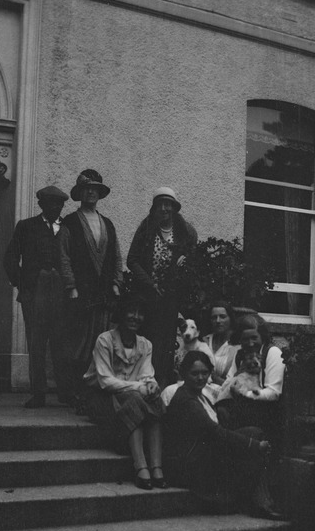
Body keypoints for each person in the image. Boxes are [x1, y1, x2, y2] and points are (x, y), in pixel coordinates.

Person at [163, 351, 284, 519]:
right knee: (254, 442)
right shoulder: (186, 399)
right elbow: (215, 432)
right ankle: (262, 503)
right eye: (194, 373)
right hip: (193, 464)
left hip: (206, 453)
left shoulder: (199, 395)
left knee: (256, 432)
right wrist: (254, 445)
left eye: (204, 373)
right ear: (184, 374)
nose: (200, 378)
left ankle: (261, 499)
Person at [83, 295, 166, 490]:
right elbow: (105, 381)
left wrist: (151, 384)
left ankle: (156, 466)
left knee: (154, 399)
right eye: (131, 311)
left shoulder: (145, 344)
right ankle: (140, 466)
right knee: (136, 398)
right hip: (101, 397)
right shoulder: (105, 340)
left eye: (140, 313)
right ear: (121, 314)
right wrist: (140, 387)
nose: (135, 317)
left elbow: (146, 374)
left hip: (130, 396)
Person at [59, 169, 123, 407]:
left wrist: (117, 283)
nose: (91, 192)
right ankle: (75, 391)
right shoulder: (70, 222)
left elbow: (116, 256)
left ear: (100, 193)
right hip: (80, 295)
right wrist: (71, 286)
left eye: (95, 189)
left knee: (101, 343)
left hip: (104, 294)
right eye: (87, 189)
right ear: (80, 193)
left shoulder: (107, 223)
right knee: (79, 344)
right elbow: (63, 257)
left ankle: (96, 393)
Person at [3, 185, 70, 408]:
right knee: (37, 342)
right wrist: (24, 286)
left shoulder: (68, 228)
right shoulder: (27, 227)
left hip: (61, 292)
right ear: (41, 205)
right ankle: (38, 393)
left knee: (61, 342)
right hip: (35, 292)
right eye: (50, 203)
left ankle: (64, 392)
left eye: (59, 204)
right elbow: (10, 259)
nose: (55, 207)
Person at [127, 186, 197, 387]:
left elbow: (193, 257)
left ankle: (163, 381)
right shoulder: (146, 227)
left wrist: (186, 261)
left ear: (175, 208)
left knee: (167, 341)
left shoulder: (184, 231)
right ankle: (143, 380)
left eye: (169, 204)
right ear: (155, 207)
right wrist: (149, 284)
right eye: (161, 204)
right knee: (146, 338)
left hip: (172, 297)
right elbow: (132, 260)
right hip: (147, 296)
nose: (165, 208)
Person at [216, 315, 286, 453]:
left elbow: (273, 393)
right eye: (245, 339)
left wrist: (245, 393)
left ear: (263, 337)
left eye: (254, 338)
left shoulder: (272, 353)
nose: (250, 343)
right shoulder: (240, 355)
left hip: (267, 413)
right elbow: (230, 381)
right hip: (243, 410)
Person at [202, 301, 239, 386]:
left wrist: (215, 379)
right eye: (214, 317)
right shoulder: (204, 341)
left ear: (231, 319)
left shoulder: (237, 346)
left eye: (222, 317)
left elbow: (236, 385)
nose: (218, 321)